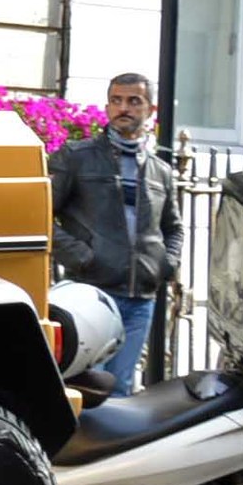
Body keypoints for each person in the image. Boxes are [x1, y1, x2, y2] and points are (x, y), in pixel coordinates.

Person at [49, 71, 183, 391]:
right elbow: (39, 215)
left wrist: (167, 264)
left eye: (134, 101)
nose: (124, 108)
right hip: (92, 293)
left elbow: (173, 227)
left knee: (121, 389)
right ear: (108, 107)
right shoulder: (76, 157)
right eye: (116, 101)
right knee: (85, 386)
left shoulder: (161, 171)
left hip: (140, 299)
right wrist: (82, 255)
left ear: (150, 110)